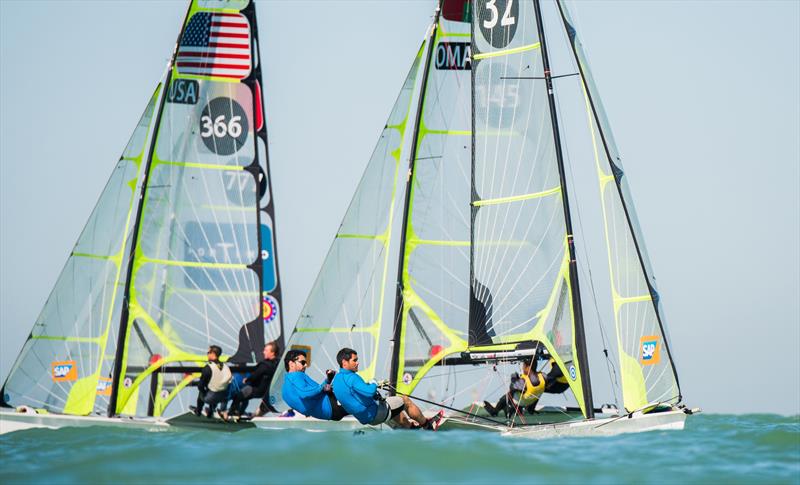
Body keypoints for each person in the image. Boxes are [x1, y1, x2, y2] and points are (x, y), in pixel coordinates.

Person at [331, 347, 443, 430]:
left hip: (365, 419)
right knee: (405, 400)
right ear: (344, 363)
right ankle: (428, 426)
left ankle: (410, 430)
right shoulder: (352, 377)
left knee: (393, 407)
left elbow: (353, 393)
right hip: (375, 414)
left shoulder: (336, 380)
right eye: (354, 360)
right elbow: (369, 392)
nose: (357, 363)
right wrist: (374, 383)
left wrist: (371, 387)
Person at [281, 349, 348, 421]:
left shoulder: (284, 391)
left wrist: (328, 380)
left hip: (330, 414)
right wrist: (323, 386)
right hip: (332, 404)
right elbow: (305, 393)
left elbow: (308, 405)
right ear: (291, 364)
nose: (306, 365)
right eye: (302, 362)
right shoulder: (295, 376)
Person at [222, 341, 280, 420]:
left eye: (266, 350)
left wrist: (247, 380)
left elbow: (255, 375)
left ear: (272, 353)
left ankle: (230, 414)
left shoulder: (264, 365)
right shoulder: (279, 363)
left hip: (257, 390)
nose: (263, 352)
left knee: (238, 396)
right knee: (245, 398)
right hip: (267, 392)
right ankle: (240, 413)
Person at [193, 345, 232, 418]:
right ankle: (211, 411)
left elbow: (200, 386)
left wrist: (204, 393)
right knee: (215, 388)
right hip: (223, 397)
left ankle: (198, 411)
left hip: (211, 398)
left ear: (213, 354)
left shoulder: (208, 368)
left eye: (208, 352)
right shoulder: (226, 367)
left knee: (202, 391)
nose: (207, 354)